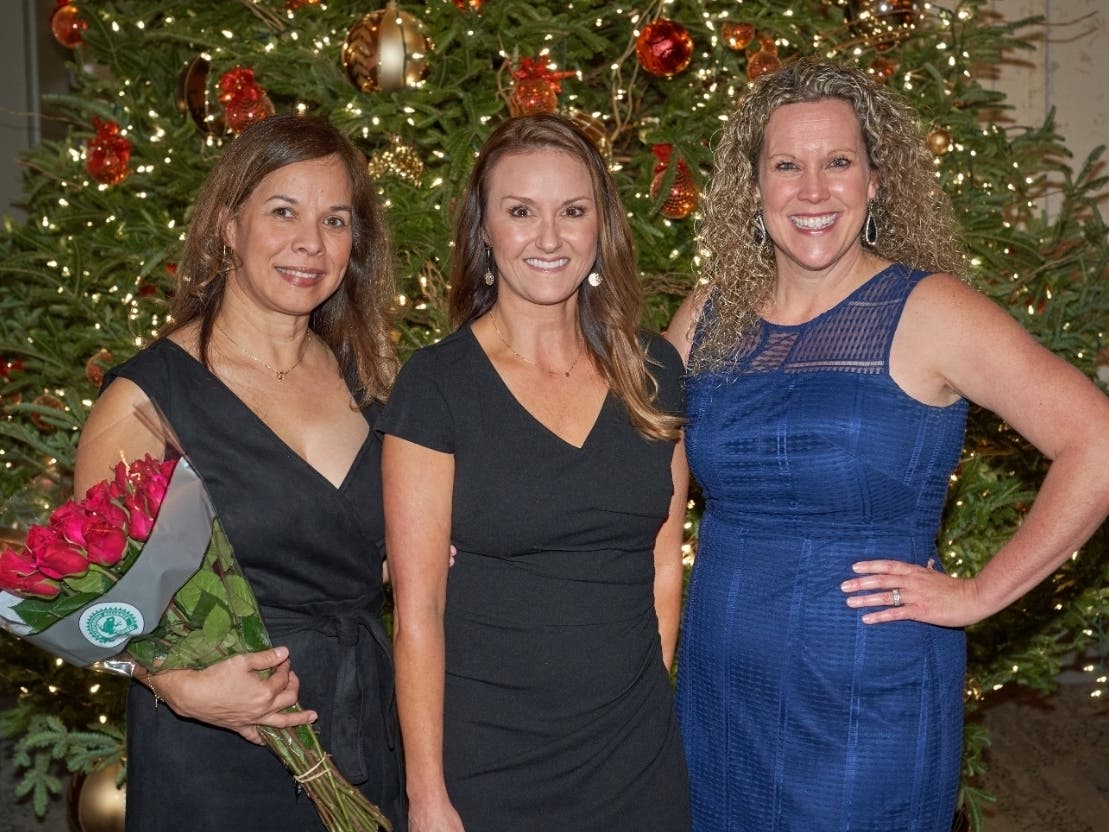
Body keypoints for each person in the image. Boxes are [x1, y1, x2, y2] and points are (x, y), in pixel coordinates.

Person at [664, 57, 1109, 832]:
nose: (811, 190)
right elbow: (642, 486)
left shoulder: (929, 311)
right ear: (753, 188)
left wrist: (978, 595)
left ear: (874, 182)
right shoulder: (706, 317)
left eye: (837, 163)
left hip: (866, 693)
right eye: (785, 166)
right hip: (720, 679)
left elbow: (1095, 443)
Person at [73, 114, 406, 831]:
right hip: (219, 751)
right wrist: (177, 684)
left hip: (366, 730)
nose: (310, 244)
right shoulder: (148, 400)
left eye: (335, 220)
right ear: (229, 226)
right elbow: (98, 607)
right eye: (282, 211)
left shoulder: (371, 382)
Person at [378, 113, 691, 832]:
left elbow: (661, 566)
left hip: (633, 758)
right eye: (520, 212)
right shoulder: (437, 385)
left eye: (571, 211)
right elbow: (416, 614)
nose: (548, 238)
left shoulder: (655, 371)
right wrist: (427, 797)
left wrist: (646, 706)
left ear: (599, 228)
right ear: (484, 230)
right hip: (486, 758)